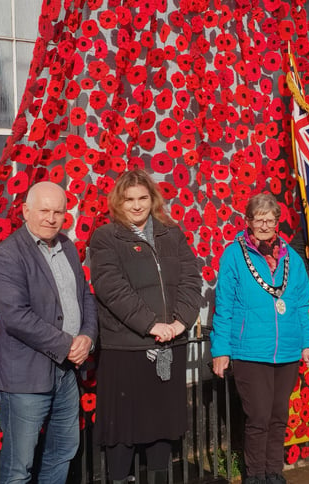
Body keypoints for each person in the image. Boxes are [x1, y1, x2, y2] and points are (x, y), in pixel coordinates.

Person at [89, 169, 203, 484]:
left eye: (142, 198)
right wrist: (152, 324)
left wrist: (180, 322)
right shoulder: (106, 237)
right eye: (129, 200)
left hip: (171, 345)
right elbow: (111, 287)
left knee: (162, 427)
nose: (137, 206)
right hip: (128, 348)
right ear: (118, 203)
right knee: (123, 431)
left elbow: (191, 280)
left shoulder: (172, 233)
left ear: (152, 200)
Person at [0, 181, 98, 483]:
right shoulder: (6, 256)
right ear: (25, 211)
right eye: (44, 210)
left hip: (65, 373)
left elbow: (84, 296)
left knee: (63, 451)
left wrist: (86, 337)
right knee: (19, 466)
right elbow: (16, 317)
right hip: (26, 376)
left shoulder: (68, 247)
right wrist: (68, 344)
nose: (51, 217)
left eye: (58, 211)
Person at [211, 192, 309, 484]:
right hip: (249, 351)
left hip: (287, 352)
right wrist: (221, 350)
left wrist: (307, 343)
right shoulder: (234, 255)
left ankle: (274, 471)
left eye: (270, 220)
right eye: (259, 220)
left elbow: (299, 306)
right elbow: (224, 306)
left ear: (277, 222)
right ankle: (255, 475)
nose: (265, 225)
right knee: (258, 418)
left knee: (278, 416)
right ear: (248, 221)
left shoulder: (291, 259)